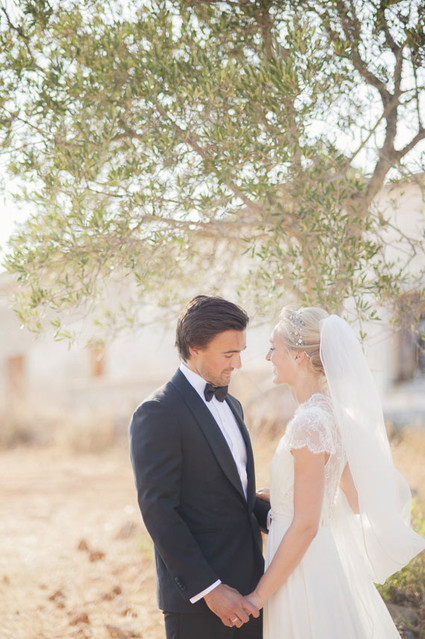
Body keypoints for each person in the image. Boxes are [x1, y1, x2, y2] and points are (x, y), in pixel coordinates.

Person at [245, 307, 425, 638]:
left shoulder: (309, 424)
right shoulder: (330, 415)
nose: (268, 357)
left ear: (298, 356)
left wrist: (258, 596)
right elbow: (354, 499)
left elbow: (306, 525)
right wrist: (287, 498)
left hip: (300, 569)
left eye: (273, 348)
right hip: (321, 560)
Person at [129, 295, 269, 639]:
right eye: (228, 354)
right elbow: (159, 509)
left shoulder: (233, 405)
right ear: (194, 348)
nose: (238, 363)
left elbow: (230, 496)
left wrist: (284, 514)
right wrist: (209, 588)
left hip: (252, 594)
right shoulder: (158, 412)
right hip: (198, 604)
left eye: (240, 352)